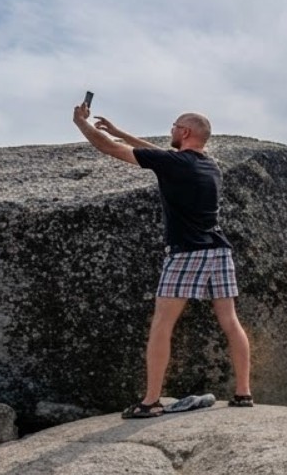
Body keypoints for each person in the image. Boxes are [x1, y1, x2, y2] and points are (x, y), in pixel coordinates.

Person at [72, 101, 254, 416]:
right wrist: (118, 130)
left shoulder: (176, 164)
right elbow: (159, 156)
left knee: (162, 324)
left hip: (187, 252)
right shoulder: (209, 164)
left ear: (184, 132)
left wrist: (81, 123)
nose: (170, 130)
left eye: (173, 126)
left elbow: (107, 149)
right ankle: (243, 393)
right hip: (219, 250)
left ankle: (150, 401)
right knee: (230, 321)